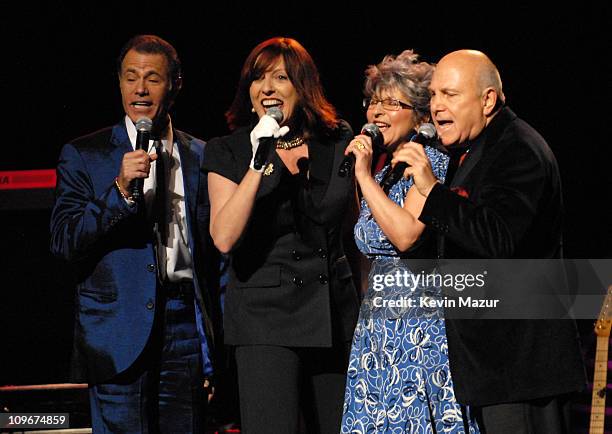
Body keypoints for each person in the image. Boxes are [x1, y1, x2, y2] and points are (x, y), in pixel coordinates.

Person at [394, 49, 586, 433]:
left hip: (522, 368)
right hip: (494, 370)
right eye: (433, 95)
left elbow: (498, 238)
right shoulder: (474, 150)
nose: (435, 107)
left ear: (487, 100)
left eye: (450, 95)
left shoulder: (518, 149)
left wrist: (432, 192)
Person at [50, 34, 220, 433]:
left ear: (175, 85)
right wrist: (120, 191)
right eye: (130, 78)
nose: (140, 89)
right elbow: (64, 240)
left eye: (152, 78)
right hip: (118, 332)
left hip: (184, 330)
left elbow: (217, 255)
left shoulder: (201, 155)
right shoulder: (86, 155)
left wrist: (213, 347)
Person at [203, 37, 360, 433]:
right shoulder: (229, 150)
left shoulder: (338, 140)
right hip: (265, 321)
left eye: (280, 77)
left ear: (302, 86)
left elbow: (354, 231)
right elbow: (223, 237)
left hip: (333, 316)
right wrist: (259, 161)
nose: (267, 88)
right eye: (258, 79)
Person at [340, 50, 479, 433]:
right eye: (373, 103)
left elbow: (405, 236)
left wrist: (364, 176)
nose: (376, 113)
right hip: (378, 329)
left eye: (391, 103)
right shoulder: (387, 171)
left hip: (418, 330)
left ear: (419, 114)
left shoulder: (428, 160)